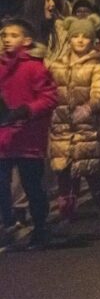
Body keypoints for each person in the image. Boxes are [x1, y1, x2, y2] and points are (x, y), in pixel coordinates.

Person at [48, 15, 100, 228]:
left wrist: (88, 107)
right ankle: (67, 214)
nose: (79, 40)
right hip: (61, 129)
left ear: (92, 40)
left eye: (85, 37)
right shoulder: (56, 66)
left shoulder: (96, 67)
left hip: (87, 129)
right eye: (75, 36)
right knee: (65, 175)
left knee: (92, 173)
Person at [0, 18, 58, 250]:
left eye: (13, 36)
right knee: (1, 183)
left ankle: (41, 227)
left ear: (26, 40)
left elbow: (50, 97)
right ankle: (8, 223)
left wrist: (27, 110)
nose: (7, 40)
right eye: (4, 36)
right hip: (4, 136)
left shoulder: (34, 67)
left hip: (28, 136)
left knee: (32, 185)